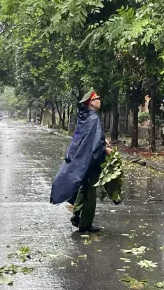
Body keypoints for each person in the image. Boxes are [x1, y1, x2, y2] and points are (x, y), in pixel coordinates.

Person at [49, 90, 112, 233]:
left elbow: (88, 138)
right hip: (90, 160)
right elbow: (91, 143)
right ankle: (85, 224)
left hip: (82, 159)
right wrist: (104, 149)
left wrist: (103, 140)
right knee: (90, 191)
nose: (100, 101)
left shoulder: (86, 117)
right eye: (97, 99)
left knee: (83, 187)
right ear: (91, 102)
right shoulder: (93, 119)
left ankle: (77, 215)